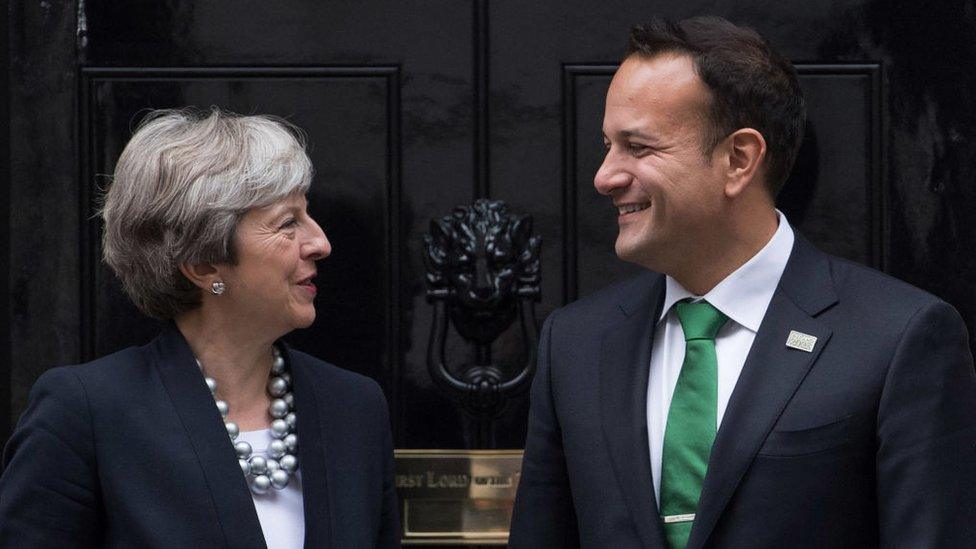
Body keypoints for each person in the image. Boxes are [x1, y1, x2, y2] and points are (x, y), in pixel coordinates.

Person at [510, 16, 976, 548]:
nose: (604, 176)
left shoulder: (899, 338)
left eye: (637, 147)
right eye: (608, 145)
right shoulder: (576, 342)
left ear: (739, 159)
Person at [0, 108, 400, 547]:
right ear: (203, 263)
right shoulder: (87, 413)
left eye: (308, 214)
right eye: (288, 223)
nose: (321, 242)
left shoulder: (354, 407)